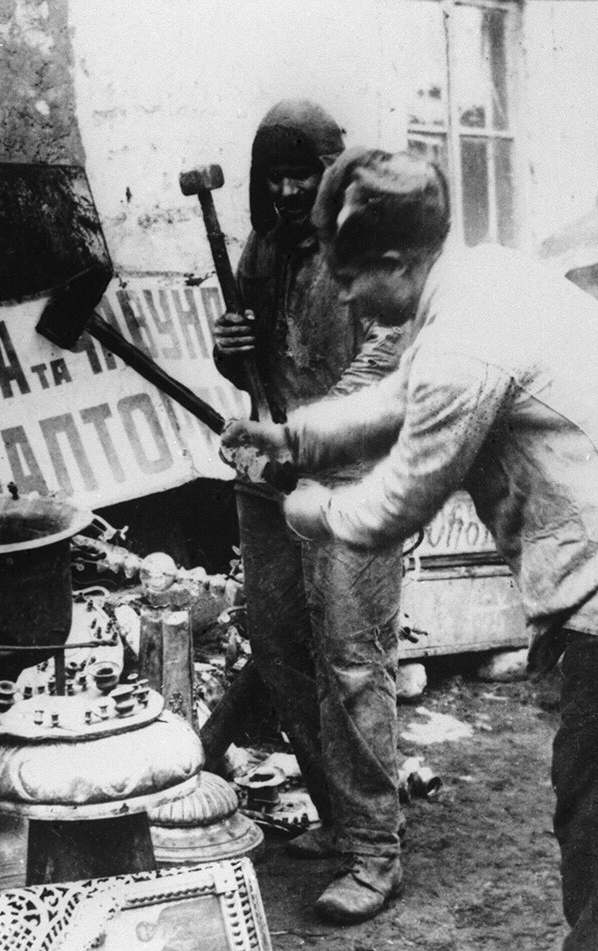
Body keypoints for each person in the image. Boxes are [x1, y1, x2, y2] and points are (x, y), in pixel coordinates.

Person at [224, 145, 598, 951]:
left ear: (391, 261)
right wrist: (294, 436)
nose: (342, 294)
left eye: (349, 280)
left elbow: (396, 501)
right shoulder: (477, 278)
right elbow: (397, 395)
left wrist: (309, 509)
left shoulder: (463, 344)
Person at [206, 100, 407, 923]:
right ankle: (338, 814)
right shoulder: (262, 248)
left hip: (352, 479)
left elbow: (385, 360)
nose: (289, 191)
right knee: (282, 643)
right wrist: (230, 352)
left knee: (353, 657)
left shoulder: (367, 249)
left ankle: (376, 848)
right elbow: (260, 368)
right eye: (274, 177)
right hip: (272, 477)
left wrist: (303, 434)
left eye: (303, 174)